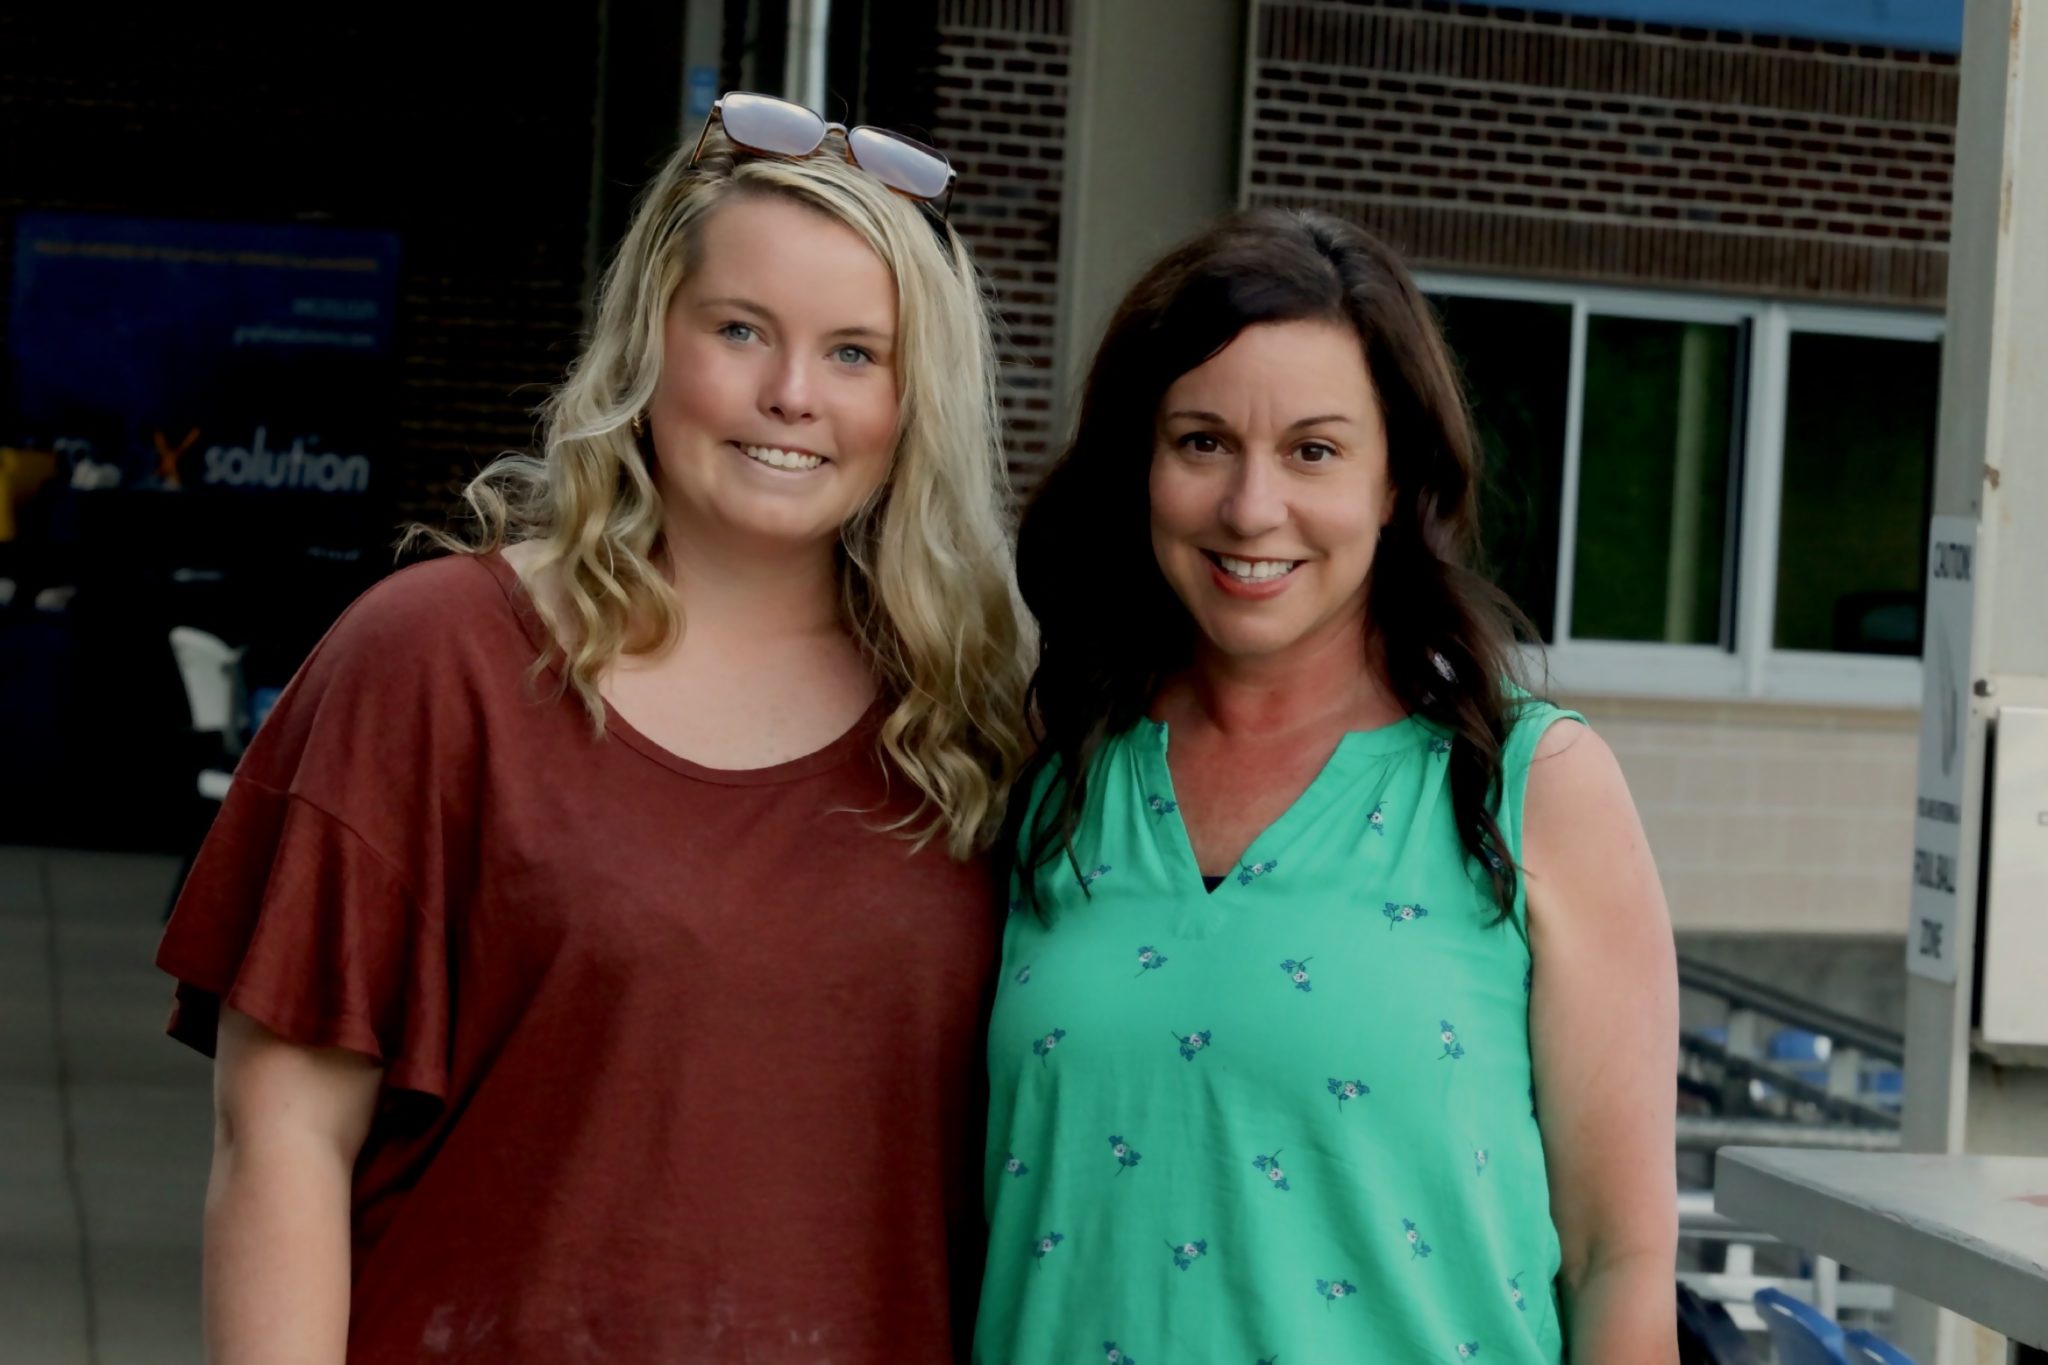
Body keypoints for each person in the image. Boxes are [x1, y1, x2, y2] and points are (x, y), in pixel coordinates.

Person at [156, 91, 1030, 1363]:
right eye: (740, 330)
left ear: (916, 404)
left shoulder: (977, 716)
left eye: (855, 353)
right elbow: (279, 1140)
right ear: (648, 341)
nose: (791, 393)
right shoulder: (432, 661)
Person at [974, 209, 1678, 1363]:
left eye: (1313, 450)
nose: (1252, 510)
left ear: (1395, 479)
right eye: (1201, 442)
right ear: (1138, 464)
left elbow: (1620, 1262)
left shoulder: (1529, 786)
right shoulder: (1047, 770)